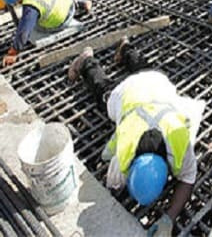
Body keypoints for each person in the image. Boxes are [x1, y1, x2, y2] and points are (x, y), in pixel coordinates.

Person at [67, 40, 201, 237]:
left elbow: (189, 178)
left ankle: (109, 53)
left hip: (155, 86)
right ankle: (100, 57)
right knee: (107, 91)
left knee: (141, 76)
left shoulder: (179, 138)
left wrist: (168, 218)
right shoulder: (123, 157)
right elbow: (188, 178)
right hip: (140, 89)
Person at [0, 0, 92, 66]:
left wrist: (13, 52)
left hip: (61, 20)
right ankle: (80, 3)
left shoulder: (31, 6)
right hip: (68, 2)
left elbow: (23, 33)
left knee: (30, 23)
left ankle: (59, 17)